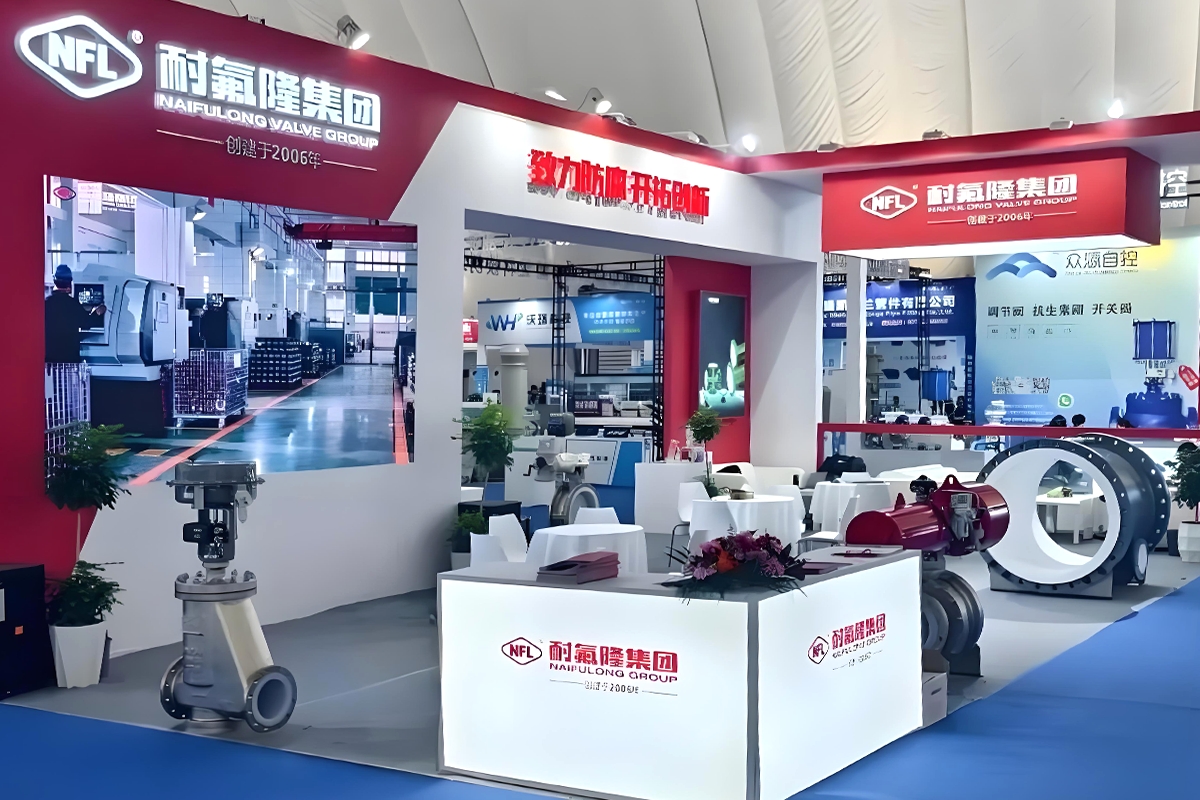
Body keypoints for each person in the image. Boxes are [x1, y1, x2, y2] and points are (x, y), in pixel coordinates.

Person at [44, 265, 103, 363]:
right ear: (69, 283)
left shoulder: (46, 303)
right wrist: (97, 311)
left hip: (50, 357)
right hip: (69, 356)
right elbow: (86, 323)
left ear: (54, 281)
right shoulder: (73, 304)